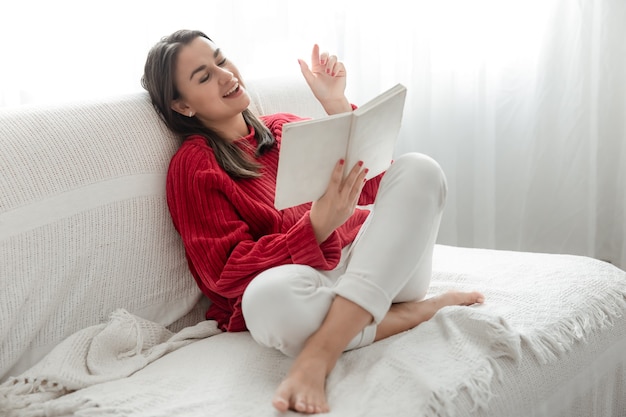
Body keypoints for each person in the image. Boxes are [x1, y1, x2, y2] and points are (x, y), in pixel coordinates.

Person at [142, 29, 484, 414]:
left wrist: (336, 103)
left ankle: (320, 353)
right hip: (308, 290)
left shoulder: (286, 129)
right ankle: (406, 314)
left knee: (420, 169)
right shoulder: (195, 165)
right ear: (183, 107)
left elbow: (374, 190)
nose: (225, 75)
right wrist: (315, 227)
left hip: (377, 269)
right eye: (204, 76)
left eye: (220, 59)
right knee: (265, 302)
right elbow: (224, 273)